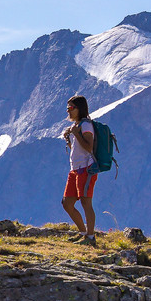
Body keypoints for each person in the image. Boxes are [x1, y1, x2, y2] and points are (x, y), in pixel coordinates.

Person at [61, 95, 98, 243]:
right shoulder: (77, 126)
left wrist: (76, 134)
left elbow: (88, 147)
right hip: (75, 169)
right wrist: (70, 140)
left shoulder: (86, 125)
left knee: (85, 202)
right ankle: (83, 232)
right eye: (67, 108)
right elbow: (78, 149)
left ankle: (90, 237)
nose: (68, 111)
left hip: (86, 169)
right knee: (67, 203)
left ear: (79, 108)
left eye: (71, 108)